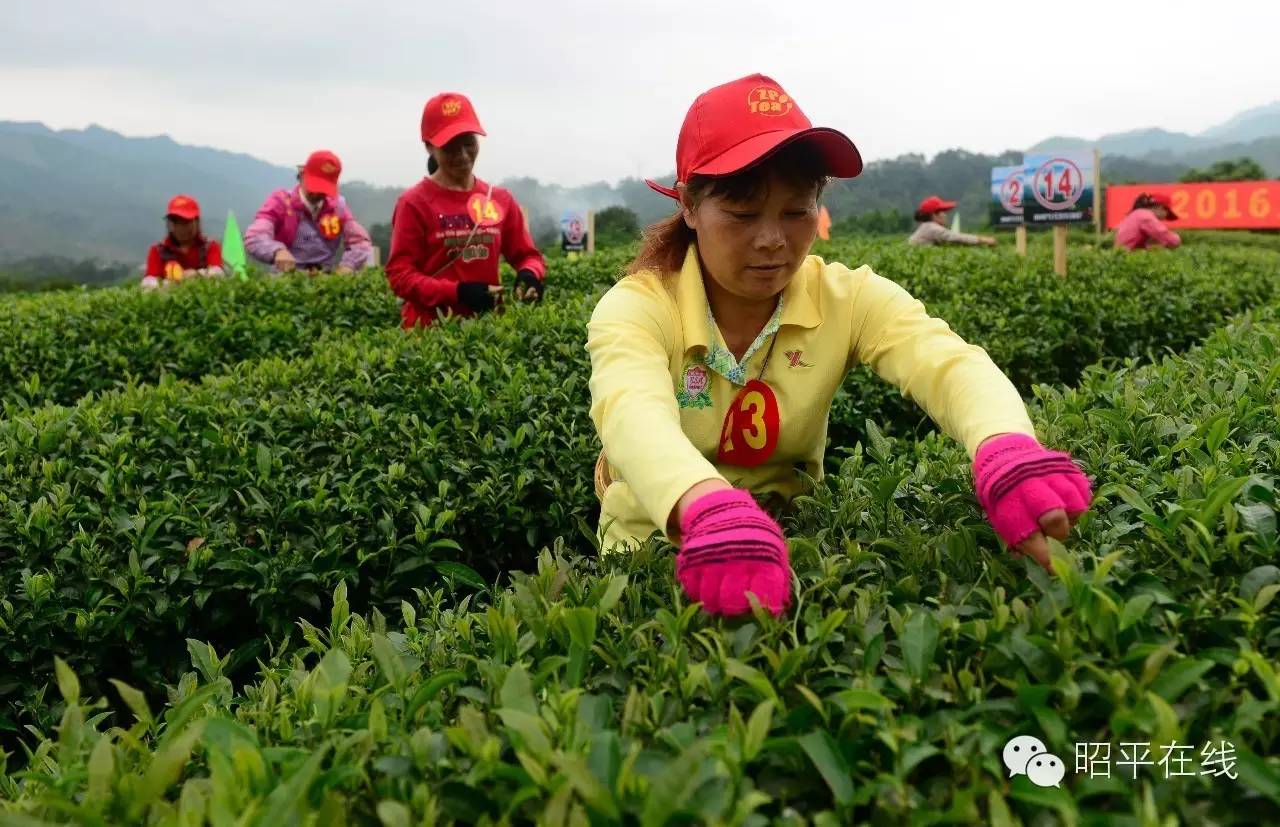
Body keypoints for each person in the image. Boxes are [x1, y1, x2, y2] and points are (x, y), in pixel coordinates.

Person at [586, 73, 1092, 617]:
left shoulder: (846, 297)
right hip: (651, 557)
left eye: (796, 211)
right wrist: (704, 507)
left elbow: (945, 361)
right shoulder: (638, 306)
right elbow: (632, 413)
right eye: (742, 213)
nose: (772, 240)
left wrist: (1005, 447)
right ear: (688, 206)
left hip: (798, 545)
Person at [385, 91, 547, 328]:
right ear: (429, 146)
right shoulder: (414, 203)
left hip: (488, 330)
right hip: (429, 334)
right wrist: (458, 292)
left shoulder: (499, 199)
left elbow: (527, 255)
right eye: (450, 147)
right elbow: (400, 275)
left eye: (468, 143)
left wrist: (530, 274)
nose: (463, 155)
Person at [244, 151, 374, 274]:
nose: (317, 193)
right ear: (302, 176)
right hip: (285, 280)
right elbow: (255, 237)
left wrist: (348, 265)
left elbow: (360, 242)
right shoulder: (280, 201)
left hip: (326, 280)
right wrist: (277, 250)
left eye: (323, 188)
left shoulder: (338, 206)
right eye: (314, 186)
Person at [141, 195, 225, 290]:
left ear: (196, 222)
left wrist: (197, 274)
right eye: (176, 222)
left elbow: (218, 273)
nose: (181, 228)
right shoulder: (157, 251)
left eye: (186, 222)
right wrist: (173, 283)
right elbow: (148, 284)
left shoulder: (210, 247)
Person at [909, 196, 996, 247]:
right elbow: (955, 237)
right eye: (943, 212)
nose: (945, 215)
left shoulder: (927, 226)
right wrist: (983, 240)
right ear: (934, 215)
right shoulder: (931, 228)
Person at [1114, 192, 1181, 251]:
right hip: (1127, 258)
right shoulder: (1145, 216)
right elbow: (1170, 240)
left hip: (1123, 256)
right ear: (1160, 207)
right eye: (1167, 213)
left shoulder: (1137, 214)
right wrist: (1177, 238)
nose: (1165, 218)